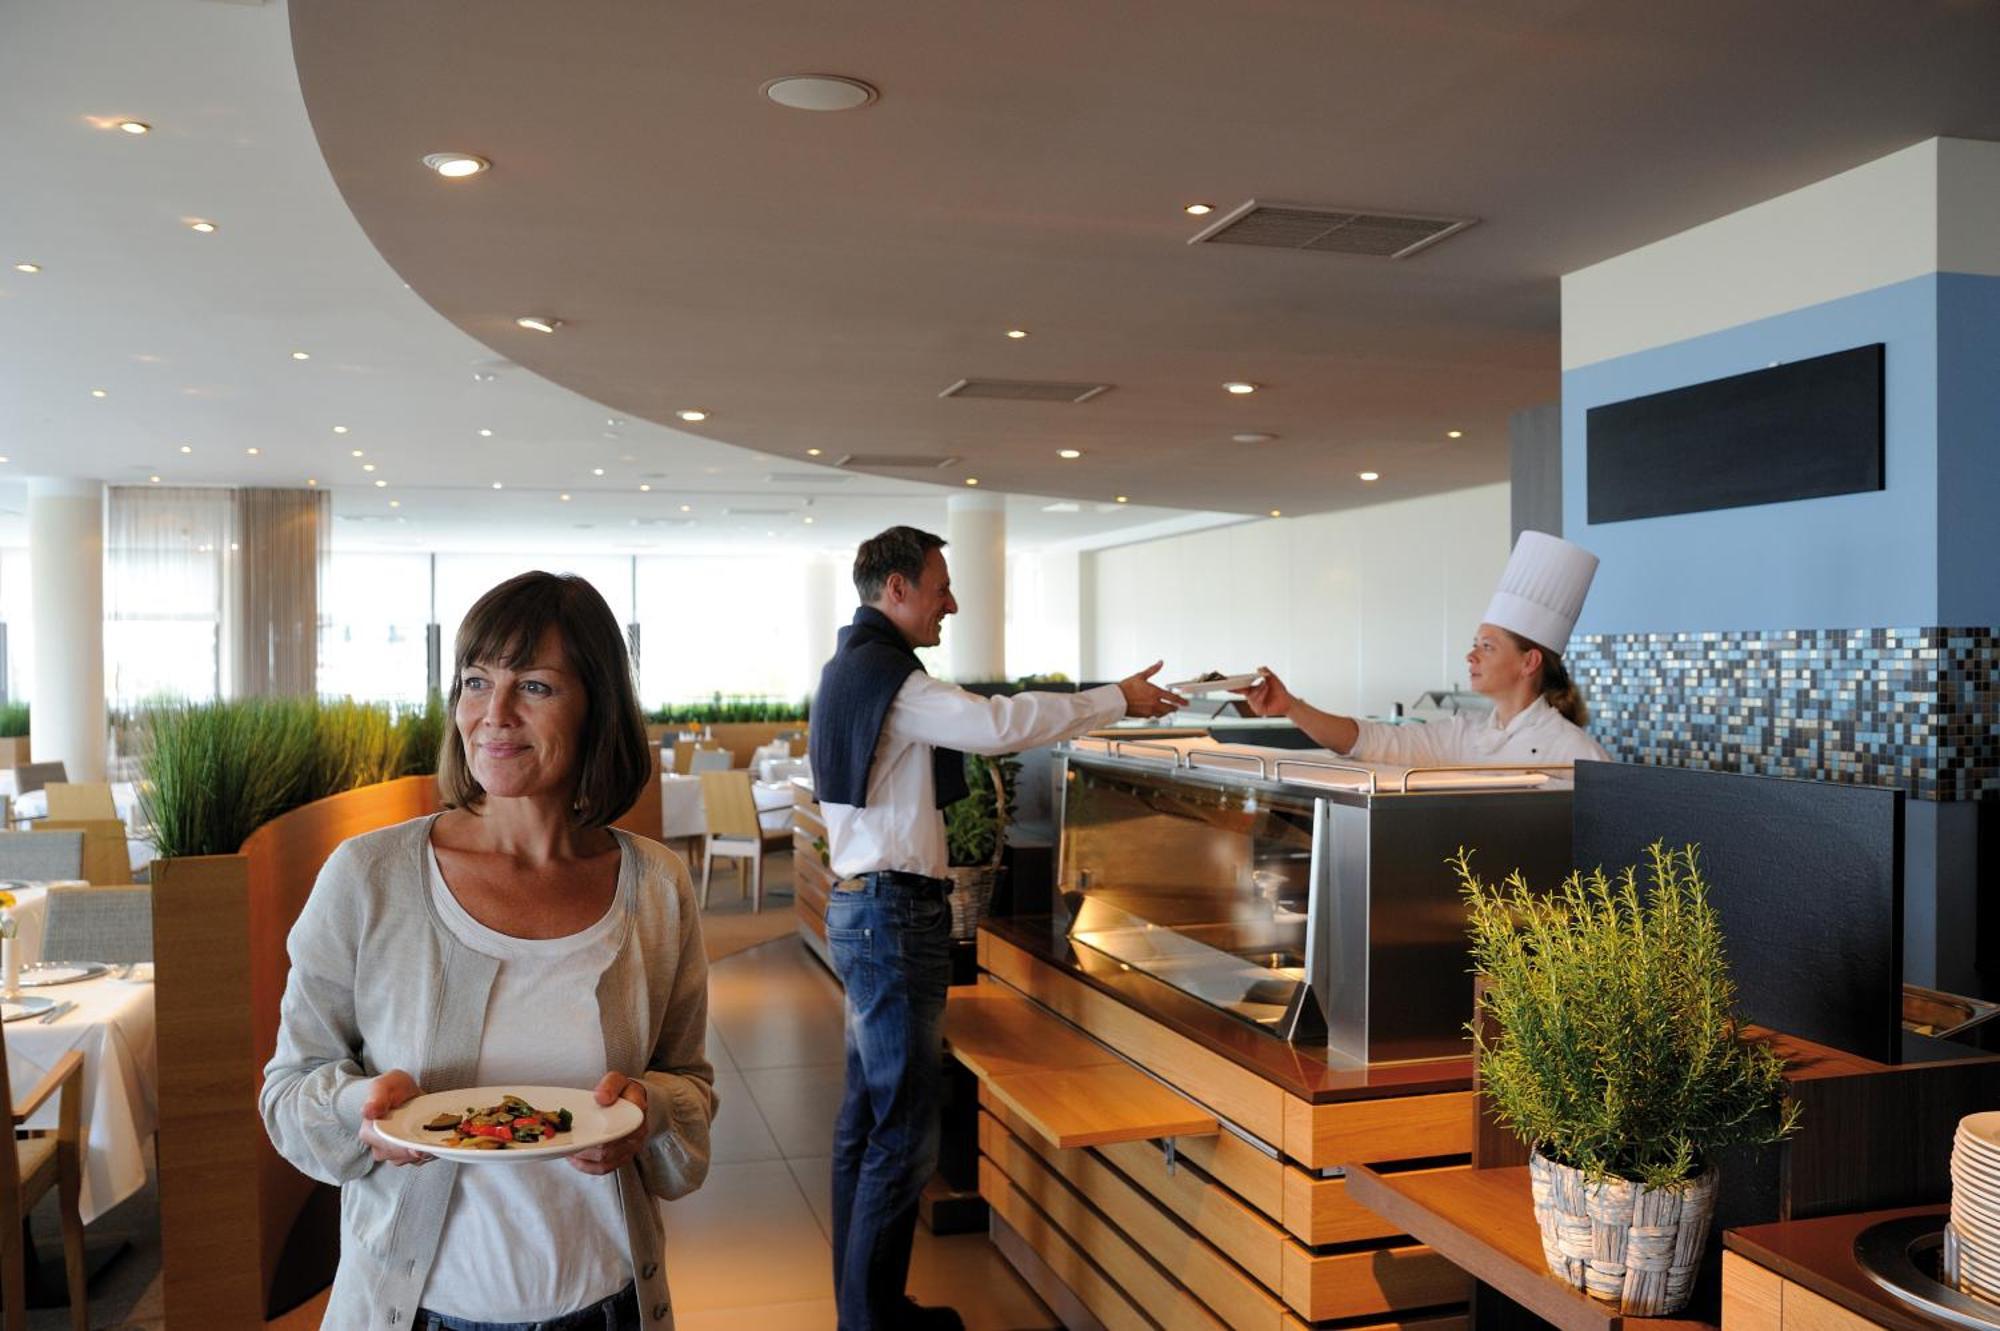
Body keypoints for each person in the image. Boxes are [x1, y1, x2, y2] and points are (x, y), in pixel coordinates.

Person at [261, 571, 716, 1331]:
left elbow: (691, 1083)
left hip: (609, 1307)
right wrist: (358, 1112)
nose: (494, 715)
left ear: (596, 707)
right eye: (477, 681)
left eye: (534, 686)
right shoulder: (369, 878)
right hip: (419, 1315)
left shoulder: (656, 888)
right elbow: (288, 1089)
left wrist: (653, 1109)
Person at [811, 526, 1184, 1331]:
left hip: (866, 907)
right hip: (891, 912)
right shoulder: (891, 679)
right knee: (902, 1134)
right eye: (941, 585)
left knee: (866, 1125)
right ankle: (868, 1321)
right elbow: (999, 724)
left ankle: (869, 1310)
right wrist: (1115, 696)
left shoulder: (853, 666)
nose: (952, 601)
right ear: (898, 589)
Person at [1240, 530, 1612, 765]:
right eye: (1474, 645)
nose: (1471, 656)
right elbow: (1372, 741)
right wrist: (1290, 706)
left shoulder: (1576, 753)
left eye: (1487, 646)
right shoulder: (1463, 736)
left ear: (1529, 661)